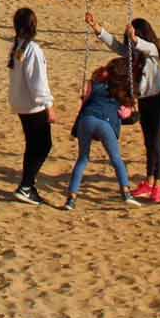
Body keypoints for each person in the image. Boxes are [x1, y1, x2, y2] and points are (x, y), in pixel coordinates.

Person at [89, 12, 160, 203]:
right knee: (148, 141)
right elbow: (115, 45)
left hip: (157, 100)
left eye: (133, 40)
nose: (130, 44)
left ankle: (158, 185)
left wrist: (135, 39)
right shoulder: (133, 54)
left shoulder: (152, 51)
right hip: (144, 101)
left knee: (156, 141)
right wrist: (97, 29)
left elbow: (148, 46)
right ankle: (148, 181)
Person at [62, 61, 139, 209]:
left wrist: (74, 129)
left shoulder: (95, 85)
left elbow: (84, 104)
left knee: (82, 159)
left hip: (86, 120)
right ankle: (126, 192)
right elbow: (127, 116)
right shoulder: (121, 92)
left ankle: (71, 199)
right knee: (116, 159)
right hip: (105, 123)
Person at [8, 7, 55, 204]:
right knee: (44, 145)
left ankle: (28, 183)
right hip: (32, 104)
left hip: (21, 102)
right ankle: (26, 185)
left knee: (33, 145)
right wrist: (48, 105)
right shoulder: (31, 49)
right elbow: (38, 82)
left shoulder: (19, 46)